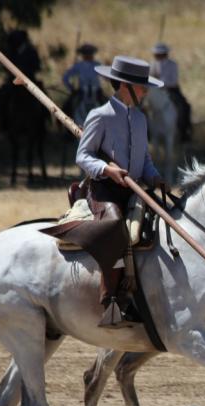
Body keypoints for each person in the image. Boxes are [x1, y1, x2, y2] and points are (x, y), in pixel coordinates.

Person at [44, 55, 164, 328]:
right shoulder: (99, 115)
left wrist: (155, 178)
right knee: (113, 227)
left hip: (135, 190)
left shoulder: (141, 119)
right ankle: (111, 301)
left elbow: (144, 159)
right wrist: (107, 170)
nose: (145, 91)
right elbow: (83, 156)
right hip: (104, 191)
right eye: (142, 86)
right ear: (124, 85)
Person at [150, 42, 192, 142]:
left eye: (159, 54)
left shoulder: (172, 65)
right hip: (154, 90)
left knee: (184, 107)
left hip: (171, 90)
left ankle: (183, 132)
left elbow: (173, 81)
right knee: (141, 104)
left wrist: (160, 81)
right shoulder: (152, 64)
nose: (157, 56)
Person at [62, 43, 103, 126]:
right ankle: (66, 128)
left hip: (97, 92)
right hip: (82, 92)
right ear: (83, 55)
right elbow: (65, 77)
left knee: (110, 107)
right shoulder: (78, 66)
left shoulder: (97, 65)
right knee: (67, 107)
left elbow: (106, 77)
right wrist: (72, 89)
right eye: (86, 53)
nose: (88, 55)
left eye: (90, 53)